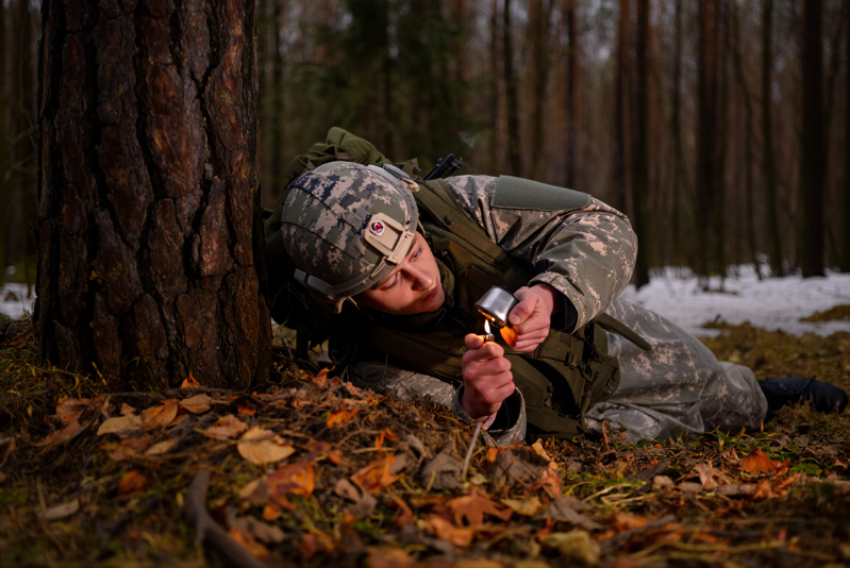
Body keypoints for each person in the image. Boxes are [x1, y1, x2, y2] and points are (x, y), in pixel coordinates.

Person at [265, 129, 848, 445]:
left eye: (414, 249)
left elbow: (602, 222)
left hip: (602, 337)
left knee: (720, 388)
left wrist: (555, 293)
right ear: (346, 298)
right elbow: (483, 437)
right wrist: (481, 407)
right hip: (578, 424)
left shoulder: (464, 204)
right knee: (678, 431)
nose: (419, 279)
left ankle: (769, 394)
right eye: (390, 280)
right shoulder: (369, 365)